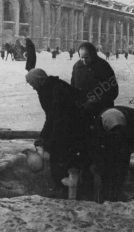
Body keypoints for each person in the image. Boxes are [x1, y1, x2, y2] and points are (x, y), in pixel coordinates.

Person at [25, 68, 89, 198]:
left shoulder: (55, 89)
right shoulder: (48, 87)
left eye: (32, 84)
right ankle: (65, 187)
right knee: (62, 154)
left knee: (59, 155)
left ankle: (63, 189)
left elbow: (57, 117)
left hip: (73, 126)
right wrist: (43, 136)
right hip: (69, 124)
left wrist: (49, 138)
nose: (32, 88)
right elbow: (51, 116)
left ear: (39, 80)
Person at [89, 106, 134, 202]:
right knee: (107, 156)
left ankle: (118, 188)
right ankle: (105, 189)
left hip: (128, 133)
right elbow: (96, 146)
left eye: (118, 132)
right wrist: (96, 163)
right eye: (113, 133)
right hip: (106, 134)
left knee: (123, 156)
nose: (116, 134)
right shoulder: (98, 126)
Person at [71, 42, 119, 117]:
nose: (84, 60)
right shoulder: (77, 67)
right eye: (81, 57)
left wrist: (99, 99)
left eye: (87, 57)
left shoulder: (103, 66)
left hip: (102, 109)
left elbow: (114, 90)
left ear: (92, 55)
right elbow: (73, 87)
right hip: (83, 110)